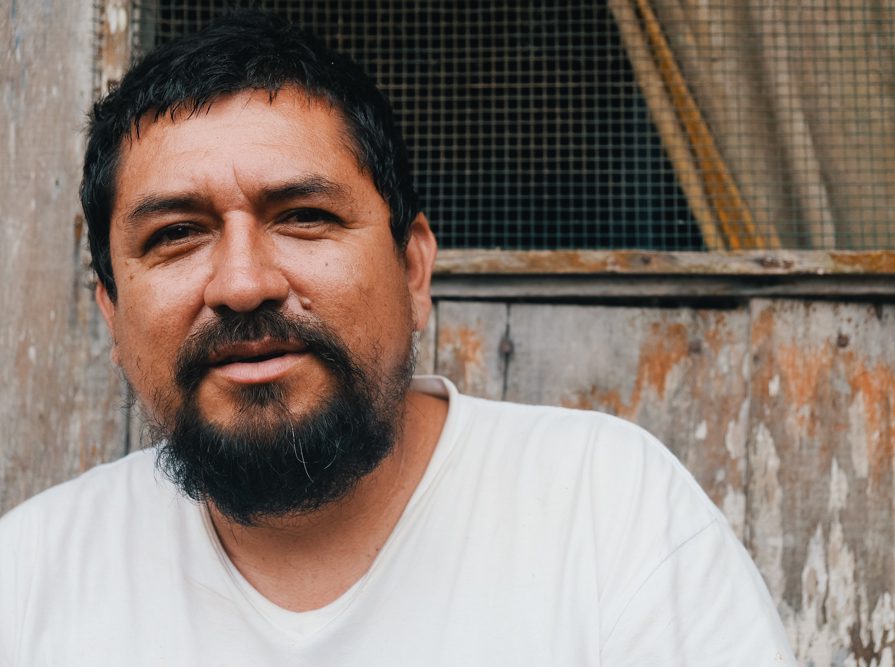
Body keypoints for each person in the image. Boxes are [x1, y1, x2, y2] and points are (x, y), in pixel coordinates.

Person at [0, 11, 794, 665]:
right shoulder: (31, 577)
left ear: (414, 270)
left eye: (304, 217)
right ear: (110, 310)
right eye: (177, 233)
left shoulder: (608, 512)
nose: (243, 283)